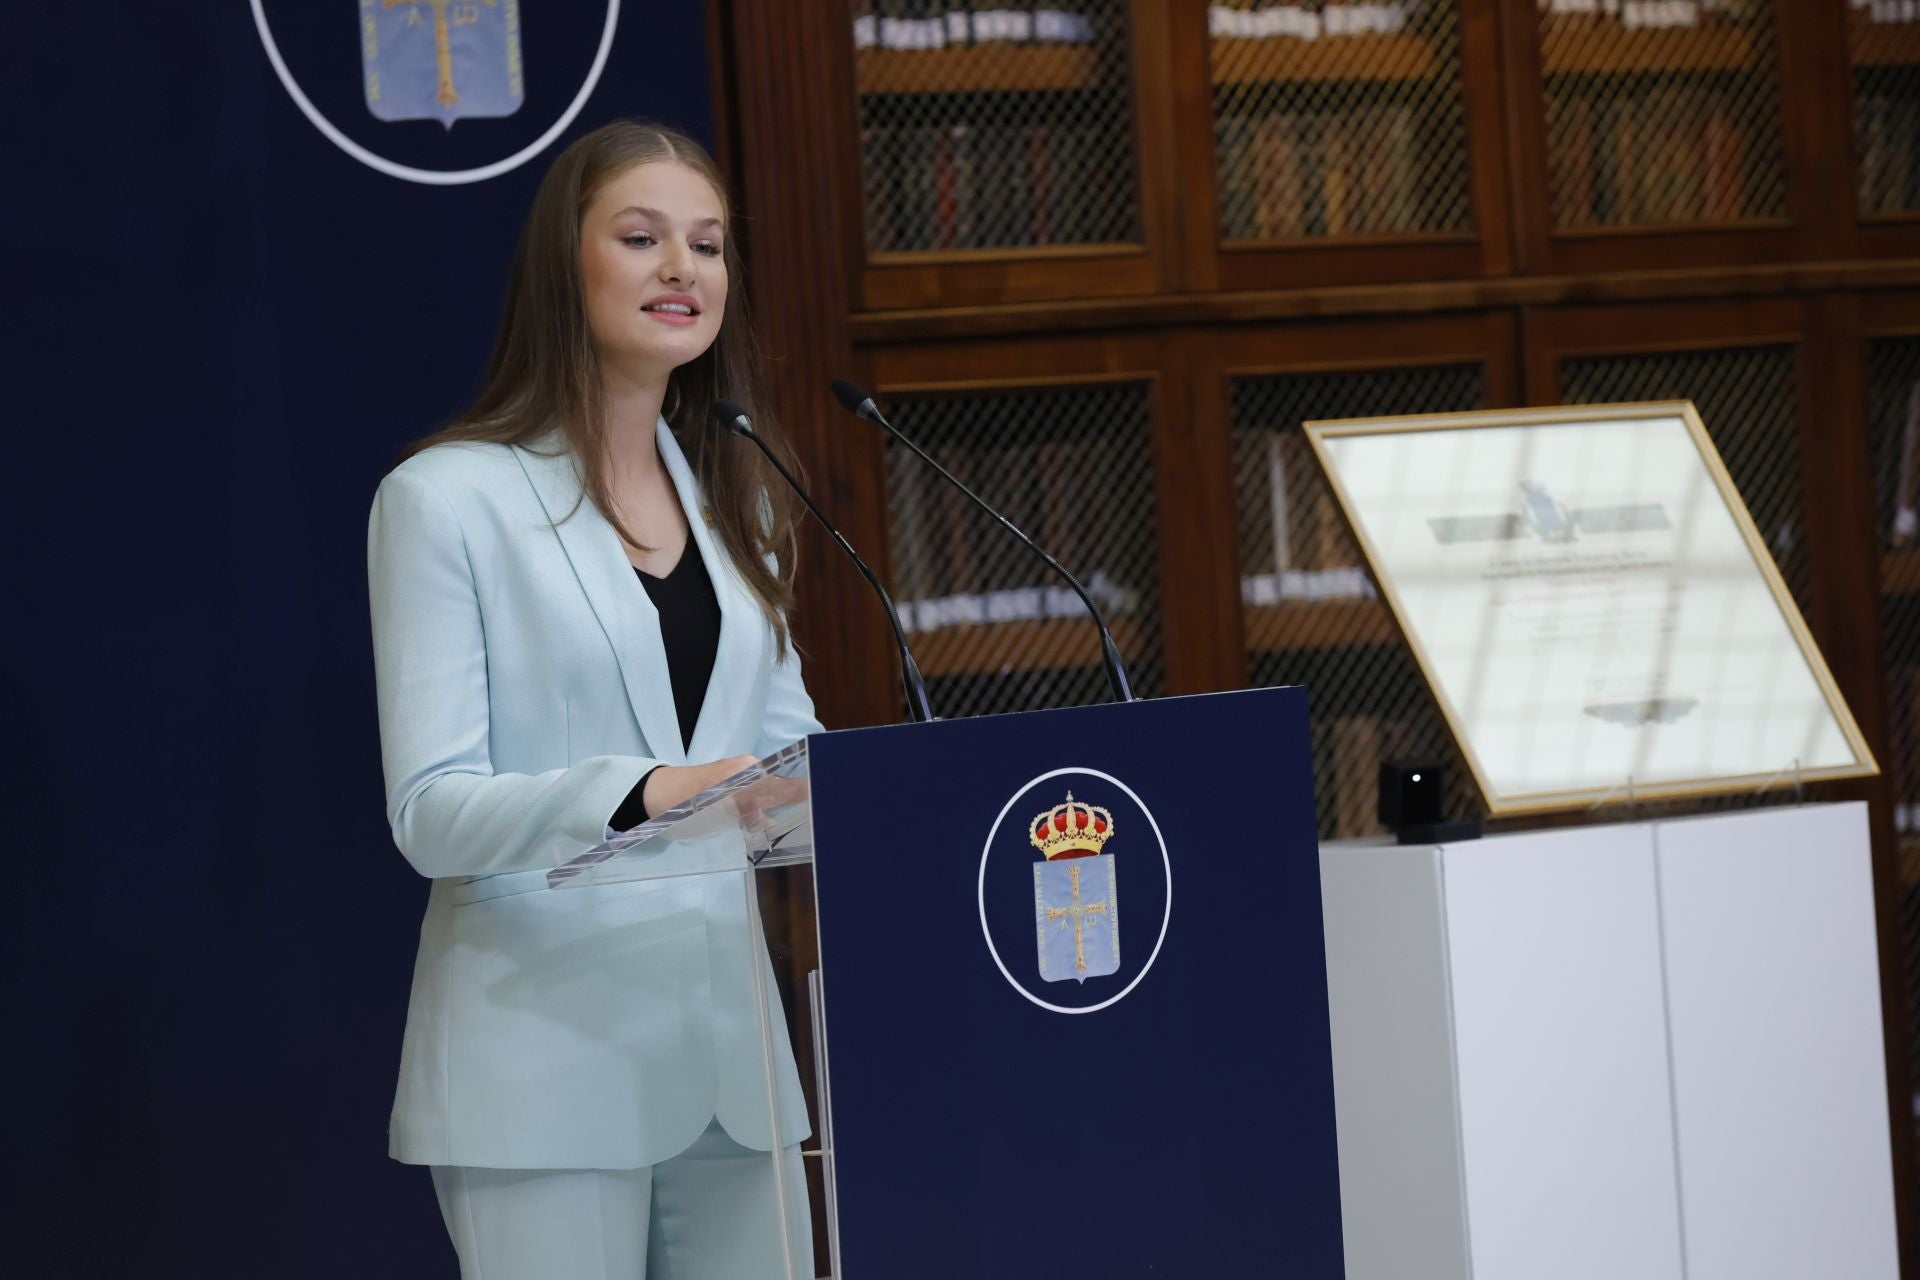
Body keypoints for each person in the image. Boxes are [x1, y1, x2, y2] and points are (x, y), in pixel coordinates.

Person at [367, 119, 820, 1279]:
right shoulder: (446, 498)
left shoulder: (741, 498)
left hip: (732, 1065)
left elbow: (787, 755)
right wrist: (643, 791)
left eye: (709, 244)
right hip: (541, 1061)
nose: (685, 268)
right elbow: (430, 808)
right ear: (566, 269)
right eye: (642, 236)